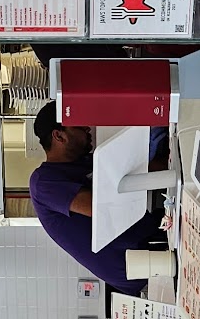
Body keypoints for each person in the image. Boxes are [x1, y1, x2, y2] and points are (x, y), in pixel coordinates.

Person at [30, 103, 168, 295]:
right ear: (59, 136)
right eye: (79, 126)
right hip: (142, 270)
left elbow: (139, 171)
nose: (88, 128)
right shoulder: (43, 182)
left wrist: (174, 164)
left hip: (152, 235)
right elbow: (101, 207)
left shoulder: (84, 161)